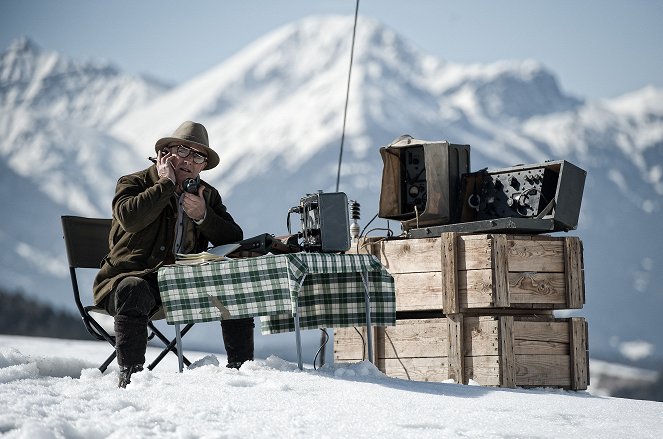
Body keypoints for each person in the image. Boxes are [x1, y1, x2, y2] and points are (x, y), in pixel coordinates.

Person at [93, 120, 254, 388]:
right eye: (182, 151)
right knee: (134, 288)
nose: (189, 160)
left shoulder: (207, 195)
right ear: (165, 154)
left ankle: (242, 373)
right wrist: (164, 185)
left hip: (183, 285)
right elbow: (129, 219)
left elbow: (234, 238)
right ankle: (131, 377)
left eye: (198, 156)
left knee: (235, 286)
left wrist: (204, 216)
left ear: (203, 165)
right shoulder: (134, 182)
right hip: (129, 282)